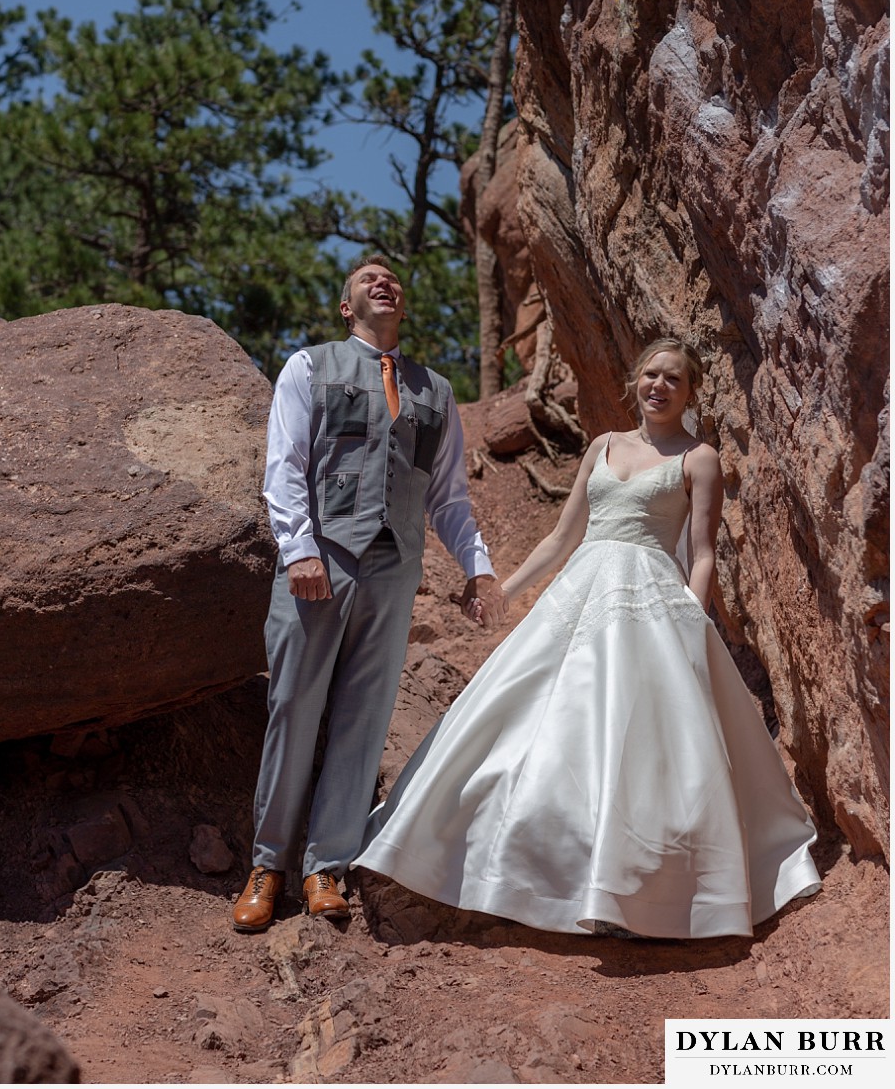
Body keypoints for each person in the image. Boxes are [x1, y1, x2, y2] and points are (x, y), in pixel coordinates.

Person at [355, 337, 822, 939]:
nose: (659, 386)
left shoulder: (698, 457)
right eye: (651, 374)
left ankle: (644, 892)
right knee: (537, 717)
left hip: (653, 599)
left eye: (673, 379)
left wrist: (691, 618)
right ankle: (511, 865)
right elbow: (561, 536)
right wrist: (503, 590)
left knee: (645, 740)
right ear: (635, 381)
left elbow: (703, 552)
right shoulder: (603, 446)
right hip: (579, 591)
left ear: (690, 391)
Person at [232, 258, 504, 932]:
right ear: (346, 307)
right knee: (294, 706)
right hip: (318, 566)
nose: (384, 283)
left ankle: (327, 866)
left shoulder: (435, 393)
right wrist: (298, 549)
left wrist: (477, 567)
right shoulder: (308, 367)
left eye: (392, 279)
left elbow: (447, 497)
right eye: (367, 278)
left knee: (364, 716)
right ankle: (267, 864)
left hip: (392, 574)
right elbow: (285, 465)